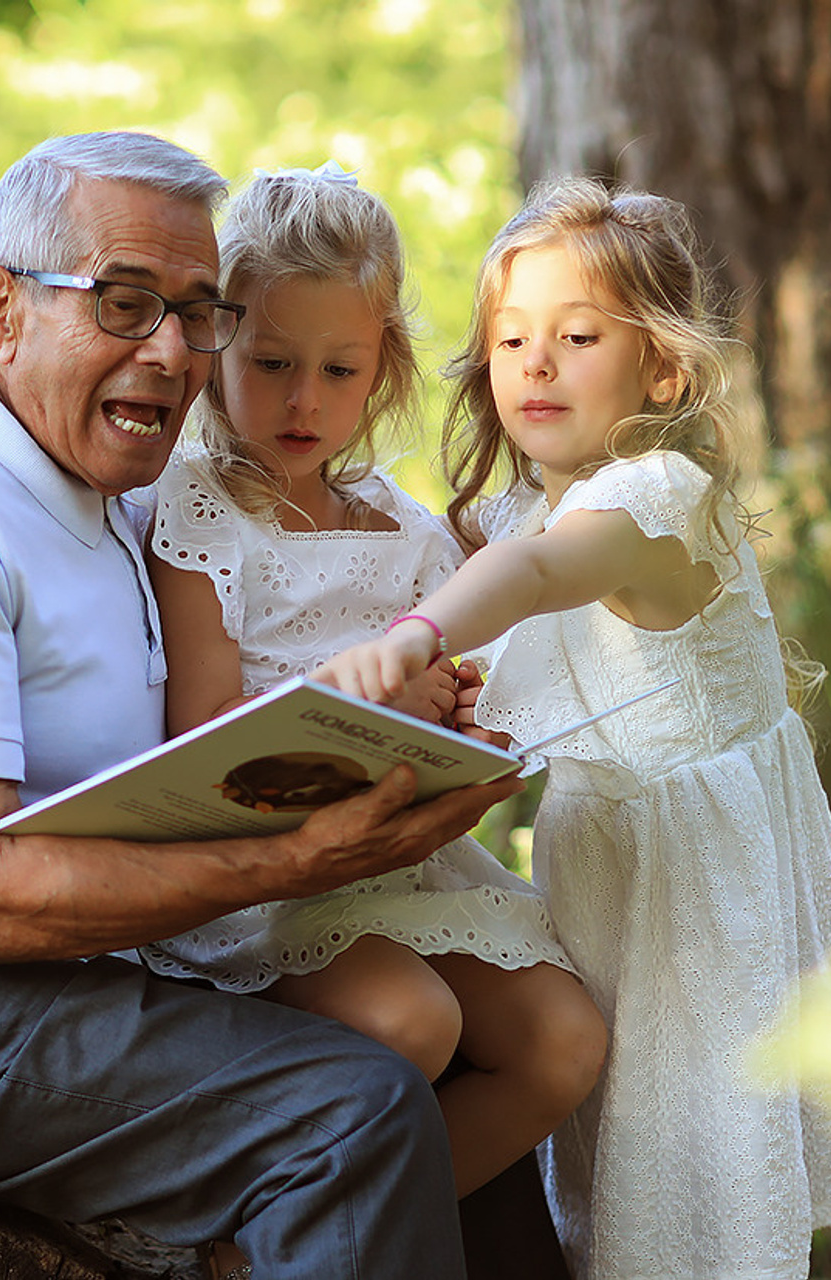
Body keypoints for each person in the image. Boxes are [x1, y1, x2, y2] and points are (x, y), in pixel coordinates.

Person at [0, 131, 528, 1280]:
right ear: (1, 306)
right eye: (123, 304)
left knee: (503, 1043)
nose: (171, 351)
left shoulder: (109, 478)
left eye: (197, 311)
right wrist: (300, 857)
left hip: (31, 959)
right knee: (348, 1111)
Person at [316, 175, 831, 1279]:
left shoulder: (656, 494)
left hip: (701, 893)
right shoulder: (526, 506)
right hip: (607, 872)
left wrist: (417, 633)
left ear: (660, 368)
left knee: (701, 1167)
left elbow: (534, 576)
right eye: (510, 338)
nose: (535, 363)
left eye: (575, 336)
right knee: (620, 1171)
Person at [139, 167, 606, 1280]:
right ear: (217, 349)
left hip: (404, 857)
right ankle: (253, 1233)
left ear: (383, 367)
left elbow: (462, 698)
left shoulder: (404, 529)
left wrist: (464, 723)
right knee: (412, 1022)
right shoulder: (200, 510)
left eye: (338, 370)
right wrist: (362, 703)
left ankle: (276, 1243)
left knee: (563, 1040)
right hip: (266, 876)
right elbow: (205, 728)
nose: (303, 401)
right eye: (271, 364)